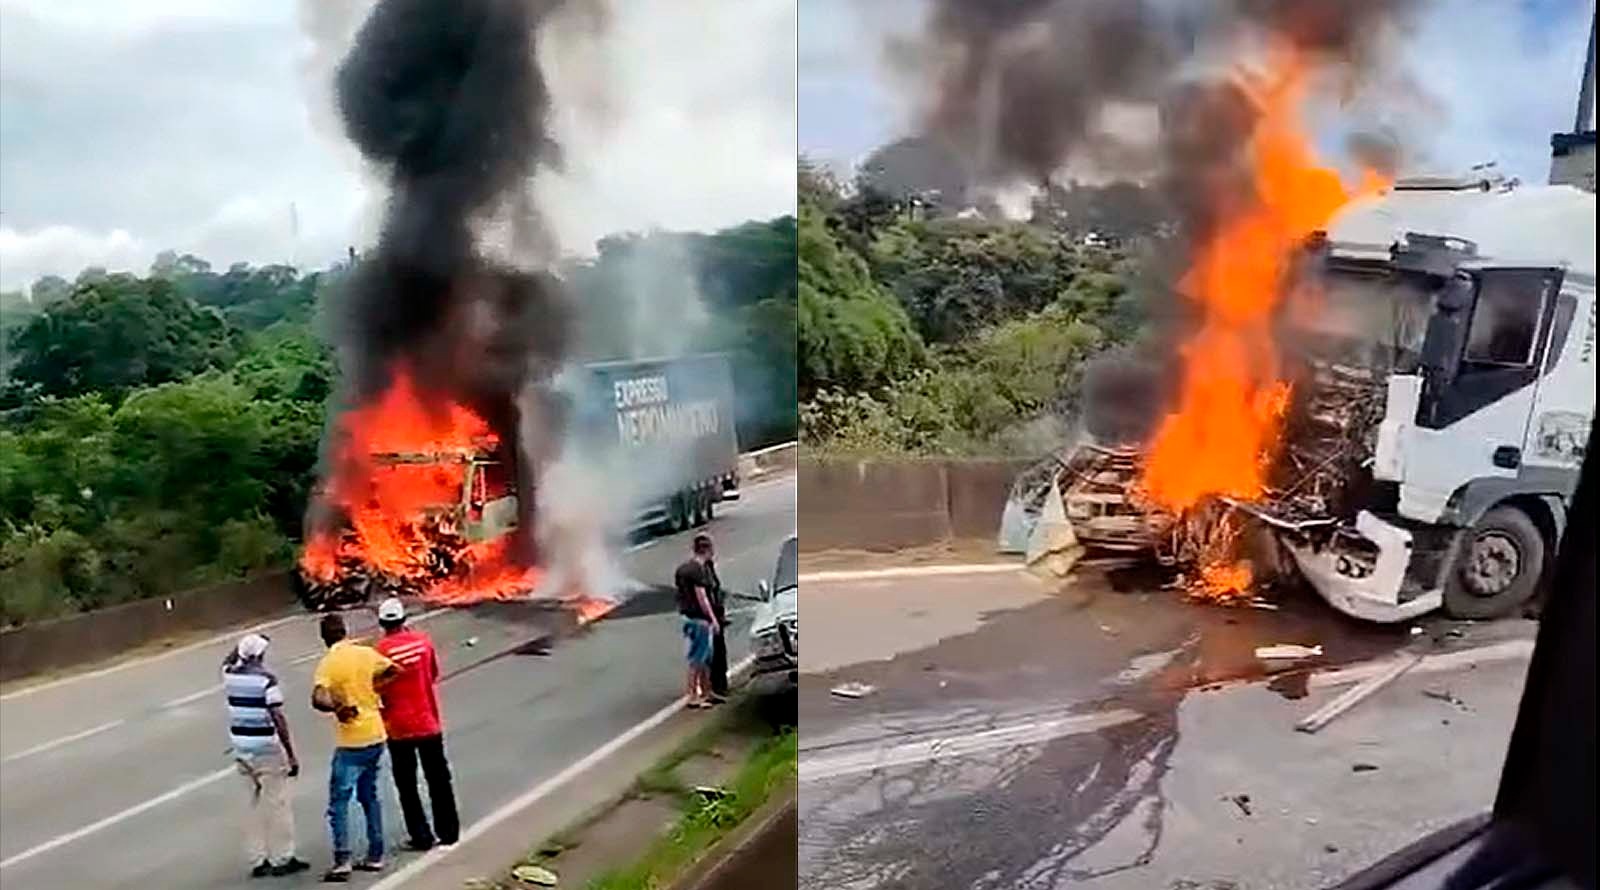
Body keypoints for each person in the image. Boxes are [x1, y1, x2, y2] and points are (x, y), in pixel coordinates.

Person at [311, 613, 398, 883]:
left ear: (324, 637)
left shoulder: (329, 663)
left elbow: (318, 698)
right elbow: (395, 670)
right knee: (369, 796)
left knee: (339, 802)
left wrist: (338, 708)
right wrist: (375, 690)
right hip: (376, 734)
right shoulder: (364, 653)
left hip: (351, 741)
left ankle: (342, 860)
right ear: (344, 631)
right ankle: (376, 854)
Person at [372, 597, 460, 851]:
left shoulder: (380, 652)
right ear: (403, 620)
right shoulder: (423, 643)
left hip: (398, 728)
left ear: (382, 623)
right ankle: (449, 831)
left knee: (407, 785)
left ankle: (421, 836)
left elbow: (377, 688)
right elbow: (432, 674)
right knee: (439, 779)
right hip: (427, 722)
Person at [222, 633, 310, 878]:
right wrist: (290, 753)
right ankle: (283, 857)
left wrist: (241, 646)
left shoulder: (229, 676)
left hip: (241, 749)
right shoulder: (266, 680)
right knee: (277, 804)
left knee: (250, 807)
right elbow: (277, 716)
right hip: (266, 750)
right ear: (260, 655)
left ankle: (257, 859)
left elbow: (226, 661)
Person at [674, 535, 721, 708]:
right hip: (699, 620)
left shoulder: (683, 569)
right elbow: (702, 598)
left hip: (688, 617)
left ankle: (707, 692)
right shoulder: (698, 571)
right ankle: (693, 695)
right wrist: (713, 619)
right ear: (708, 550)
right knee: (697, 659)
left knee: (704, 658)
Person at [702, 537, 730, 701]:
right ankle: (716, 687)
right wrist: (713, 619)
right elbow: (705, 596)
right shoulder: (700, 570)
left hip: (717, 615)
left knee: (720, 653)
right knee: (714, 655)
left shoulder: (708, 566)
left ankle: (721, 685)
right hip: (710, 618)